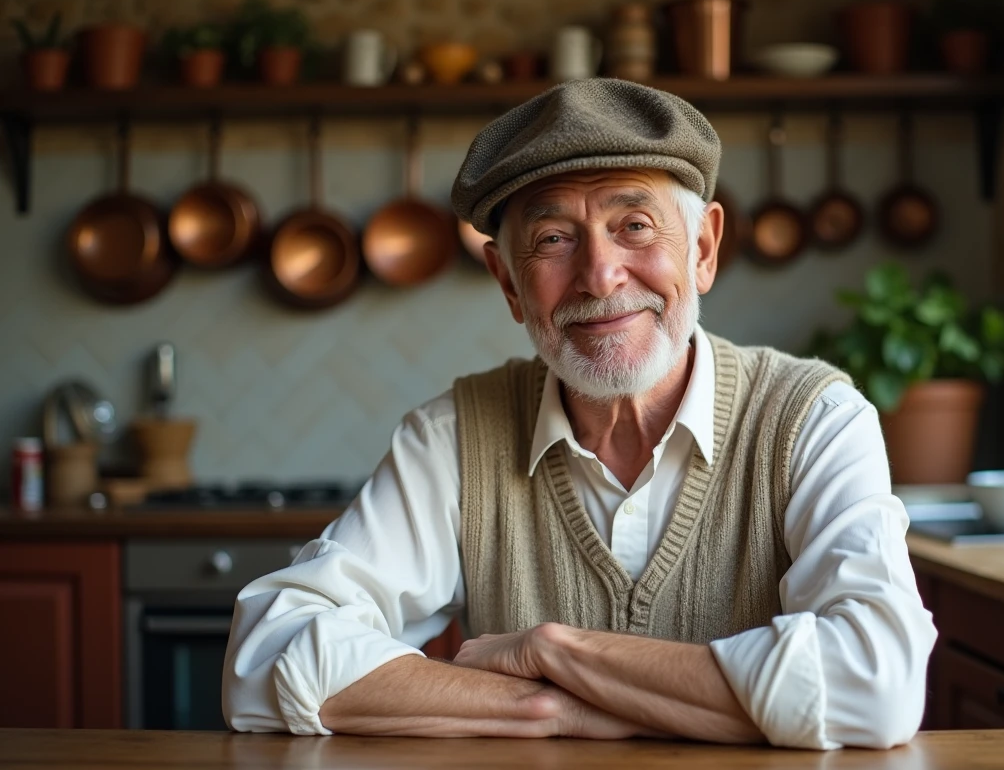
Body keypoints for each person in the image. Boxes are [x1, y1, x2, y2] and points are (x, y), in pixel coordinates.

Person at [222, 78, 937, 749]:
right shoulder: (453, 439)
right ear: (507, 282)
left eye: (634, 225)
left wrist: (554, 651)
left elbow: (877, 685)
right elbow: (265, 654)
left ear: (704, 250)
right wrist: (546, 706)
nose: (600, 275)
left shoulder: (812, 419)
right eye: (554, 240)